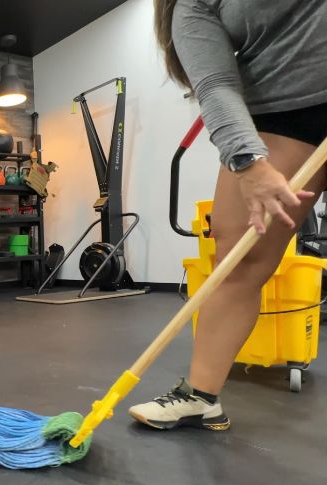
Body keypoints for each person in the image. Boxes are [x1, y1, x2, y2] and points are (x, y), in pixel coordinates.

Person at [128, 0, 327, 430]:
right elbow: (216, 83)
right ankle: (200, 398)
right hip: (279, 111)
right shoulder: (191, 6)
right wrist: (249, 162)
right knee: (237, 257)